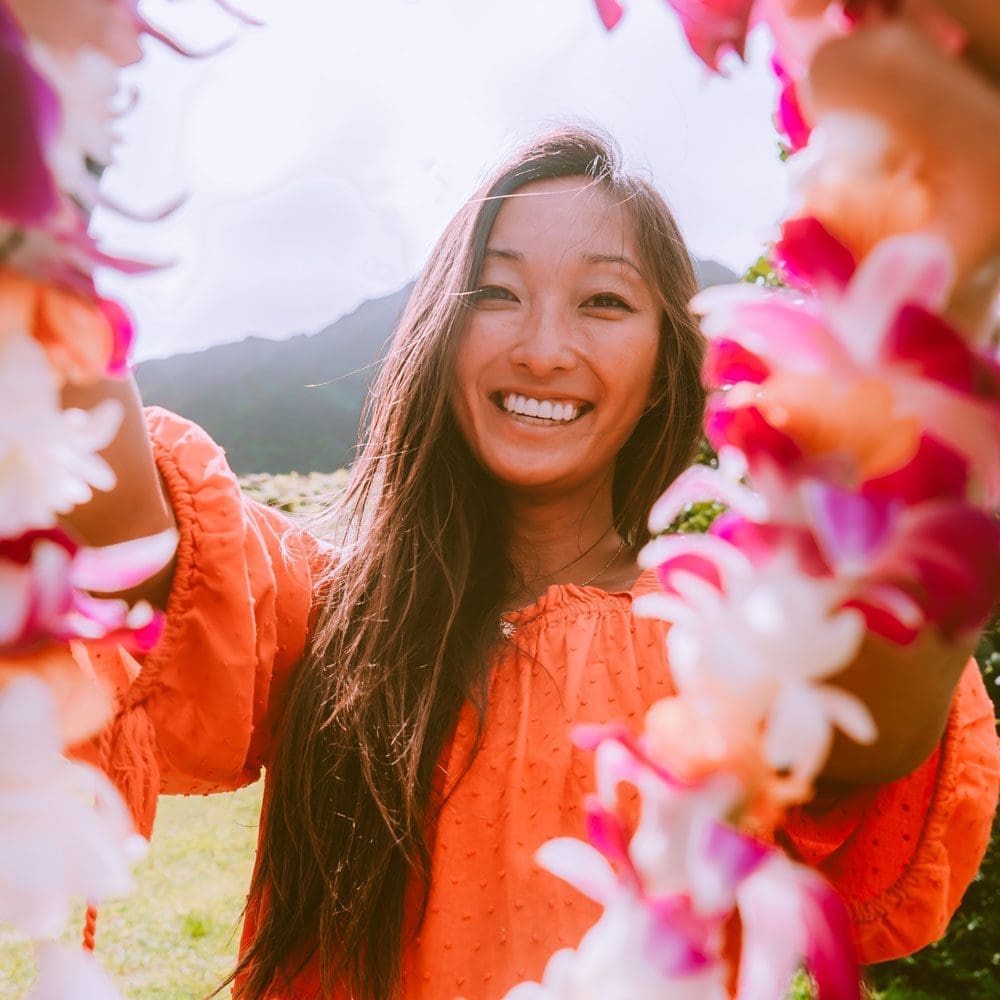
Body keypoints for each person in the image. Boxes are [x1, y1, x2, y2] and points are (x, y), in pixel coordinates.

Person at [64, 126, 999, 1000]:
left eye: (604, 302)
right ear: (439, 334)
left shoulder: (720, 643)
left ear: (667, 360)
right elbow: (127, 546)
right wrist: (45, 196)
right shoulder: (332, 610)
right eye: (496, 294)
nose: (545, 349)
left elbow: (881, 726)